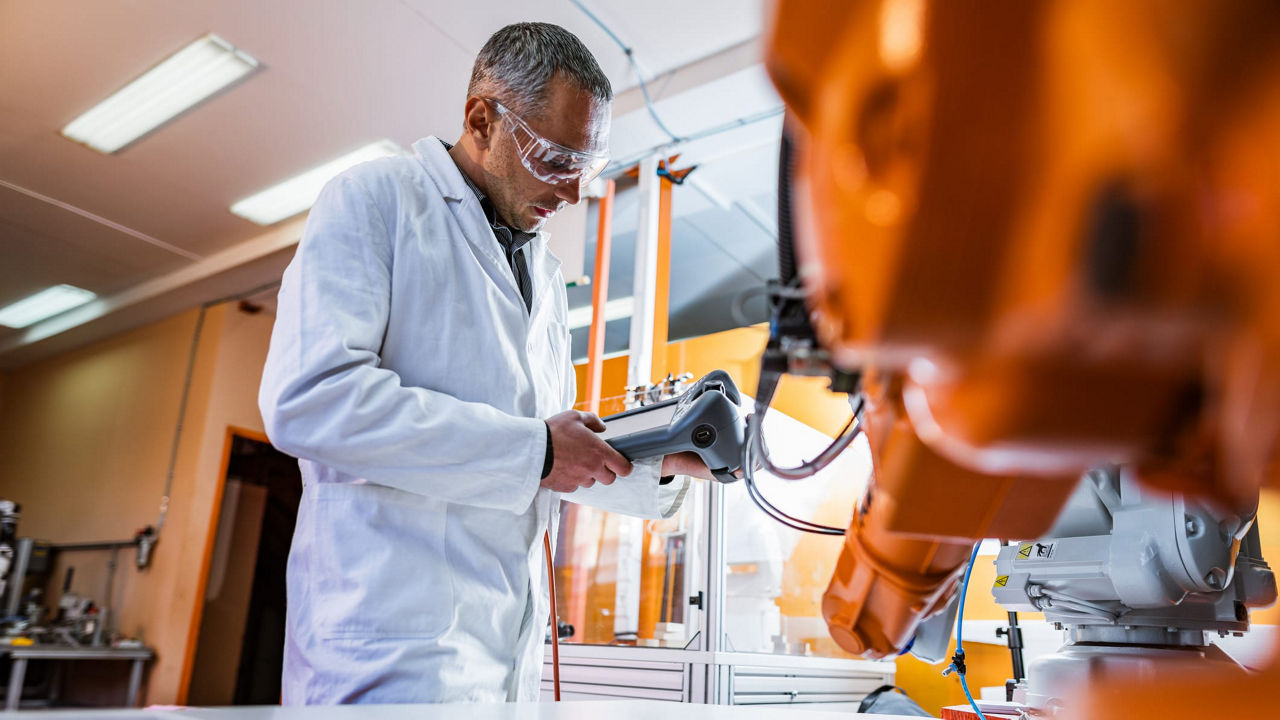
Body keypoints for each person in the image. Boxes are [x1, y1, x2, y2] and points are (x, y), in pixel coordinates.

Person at [258, 22, 716, 705]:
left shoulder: (542, 269)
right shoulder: (375, 201)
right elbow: (311, 399)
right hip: (389, 648)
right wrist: (534, 451)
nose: (574, 195)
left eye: (584, 168)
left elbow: (551, 456)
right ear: (481, 120)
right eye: (558, 159)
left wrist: (664, 458)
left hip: (504, 647)